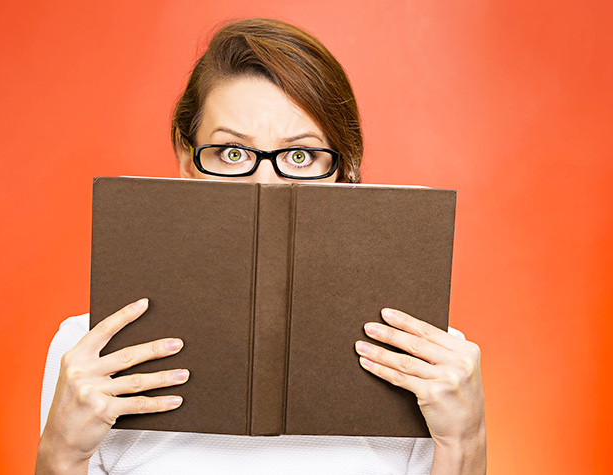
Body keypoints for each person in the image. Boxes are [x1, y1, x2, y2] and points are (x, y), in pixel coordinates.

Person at [36, 18, 486, 475]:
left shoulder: (430, 364)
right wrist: (61, 453)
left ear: (344, 168)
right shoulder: (88, 355)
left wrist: (464, 442)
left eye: (300, 155)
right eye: (233, 153)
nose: (265, 183)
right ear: (185, 158)